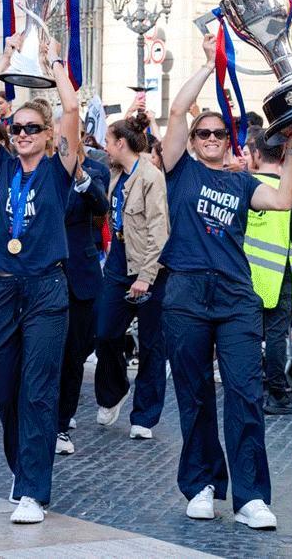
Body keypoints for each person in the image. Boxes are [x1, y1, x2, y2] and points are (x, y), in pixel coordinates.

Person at [157, 33, 292, 530]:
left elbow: (284, 200)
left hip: (236, 297)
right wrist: (206, 63)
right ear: (195, 142)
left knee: (245, 392)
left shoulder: (243, 181)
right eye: (205, 134)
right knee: (195, 393)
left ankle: (250, 497)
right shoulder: (180, 171)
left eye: (219, 134)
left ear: (231, 141)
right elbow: (177, 113)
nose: (212, 139)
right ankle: (201, 484)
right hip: (185, 292)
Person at [0, 31, 81, 525]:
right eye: (17, 128)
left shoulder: (58, 169)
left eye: (33, 127)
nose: (23, 134)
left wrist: (55, 65)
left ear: (47, 133)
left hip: (45, 288)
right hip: (1, 285)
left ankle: (35, 488)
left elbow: (72, 113)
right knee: (5, 386)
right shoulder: (3, 165)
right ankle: (21, 467)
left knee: (38, 389)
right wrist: (5, 58)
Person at [93, 113, 169, 440]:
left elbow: (159, 230)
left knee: (152, 344)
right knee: (104, 333)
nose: (105, 148)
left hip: (148, 265)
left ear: (121, 143)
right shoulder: (115, 173)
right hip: (118, 261)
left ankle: (145, 417)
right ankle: (115, 390)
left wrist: (147, 275)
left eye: (108, 142)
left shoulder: (151, 177)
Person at [244, 132, 292, 415]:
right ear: (282, 156)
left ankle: (248, 389)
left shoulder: (246, 186)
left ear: (257, 155)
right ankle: (277, 395)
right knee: (275, 338)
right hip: (279, 274)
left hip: (247, 275)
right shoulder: (287, 189)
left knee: (246, 336)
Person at [55, 142, 109, 455]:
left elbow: (101, 205)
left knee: (74, 355)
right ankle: (45, 419)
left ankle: (62, 422)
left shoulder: (93, 172)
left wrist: (79, 175)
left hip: (81, 276)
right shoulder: (39, 174)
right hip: (44, 273)